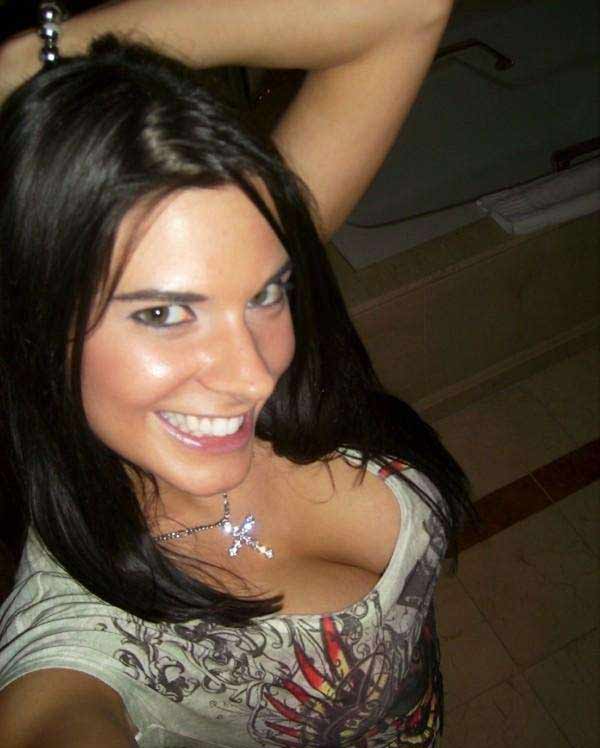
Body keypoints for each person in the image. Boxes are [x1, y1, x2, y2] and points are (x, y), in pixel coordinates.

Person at [0, 2, 474, 746]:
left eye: (267, 292)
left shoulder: (234, 248)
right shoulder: (79, 635)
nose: (254, 374)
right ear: (35, 326)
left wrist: (42, 60)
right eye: (162, 313)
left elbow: (407, 11)